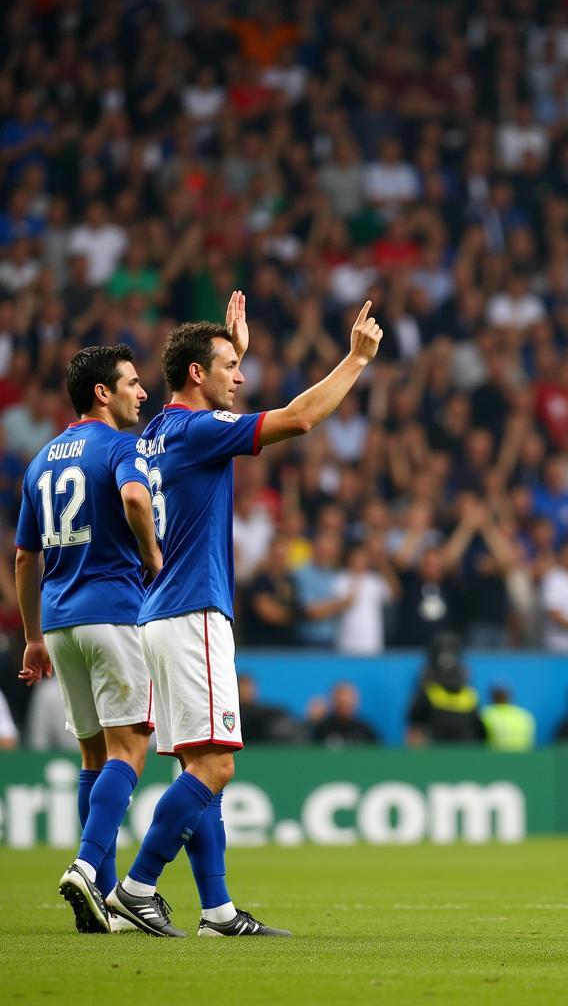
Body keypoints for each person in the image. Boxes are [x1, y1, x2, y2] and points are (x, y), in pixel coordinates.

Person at [107, 292, 382, 937]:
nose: (242, 374)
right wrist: (356, 360)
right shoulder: (202, 431)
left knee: (200, 768)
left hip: (161, 613)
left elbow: (195, 408)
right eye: (231, 365)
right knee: (216, 766)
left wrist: (230, 355)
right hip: (195, 610)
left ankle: (218, 911)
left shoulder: (157, 433)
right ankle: (136, 886)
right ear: (197, 375)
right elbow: (298, 420)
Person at [14, 345, 162, 934]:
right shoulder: (122, 447)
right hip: (115, 613)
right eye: (131, 382)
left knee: (93, 757)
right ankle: (84, 865)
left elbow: (25, 557)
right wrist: (152, 553)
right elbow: (133, 497)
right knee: (131, 752)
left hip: (59, 620)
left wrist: (32, 637)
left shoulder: (40, 461)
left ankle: (99, 897)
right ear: (103, 392)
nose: (142, 392)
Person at [310, 682, 380, 746]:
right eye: (340, 701)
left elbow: (379, 752)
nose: (344, 703)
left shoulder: (365, 729)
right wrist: (312, 722)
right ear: (333, 701)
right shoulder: (322, 729)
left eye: (348, 701)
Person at [481, 686, 536, 751]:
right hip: (524, 758)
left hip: (495, 758)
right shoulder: (526, 715)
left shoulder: (486, 713)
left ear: (491, 697)